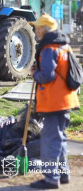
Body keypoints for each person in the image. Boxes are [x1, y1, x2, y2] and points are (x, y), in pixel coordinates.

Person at [29, 14, 80, 189]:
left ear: (44, 30)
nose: (36, 30)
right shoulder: (64, 46)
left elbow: (47, 76)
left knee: (50, 141)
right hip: (66, 100)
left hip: (54, 102)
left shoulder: (48, 48)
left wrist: (34, 74)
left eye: (38, 27)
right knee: (60, 139)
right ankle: (63, 174)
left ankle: (51, 179)